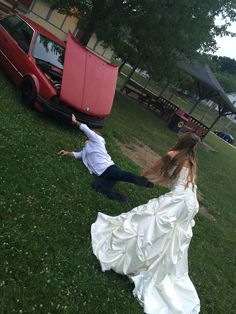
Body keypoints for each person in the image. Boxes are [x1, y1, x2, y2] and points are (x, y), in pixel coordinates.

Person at [91, 132, 201, 314]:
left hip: (179, 201)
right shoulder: (190, 160)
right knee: (169, 233)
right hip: (190, 203)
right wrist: (156, 181)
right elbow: (175, 180)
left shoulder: (172, 155)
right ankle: (158, 260)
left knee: (150, 221)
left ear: (181, 141)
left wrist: (143, 176)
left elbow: (154, 168)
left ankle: (138, 258)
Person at [59, 114, 153, 202]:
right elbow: (77, 155)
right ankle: (122, 198)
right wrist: (67, 153)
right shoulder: (86, 150)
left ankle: (142, 181)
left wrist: (76, 122)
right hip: (102, 174)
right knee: (96, 186)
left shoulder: (98, 141)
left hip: (109, 168)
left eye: (94, 133)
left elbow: (86, 130)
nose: (92, 134)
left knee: (121, 174)